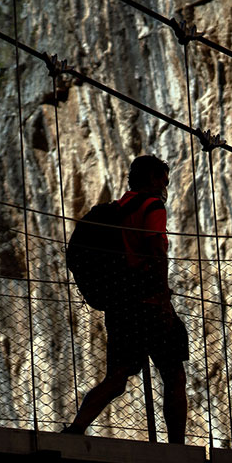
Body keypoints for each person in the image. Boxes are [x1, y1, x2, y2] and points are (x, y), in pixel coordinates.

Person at [63, 155, 189, 443]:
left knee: (117, 378)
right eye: (164, 180)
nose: (165, 187)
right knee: (173, 375)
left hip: (121, 306)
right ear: (154, 179)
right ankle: (178, 447)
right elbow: (156, 250)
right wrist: (162, 298)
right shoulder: (151, 205)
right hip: (148, 304)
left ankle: (75, 428)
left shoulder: (118, 210)